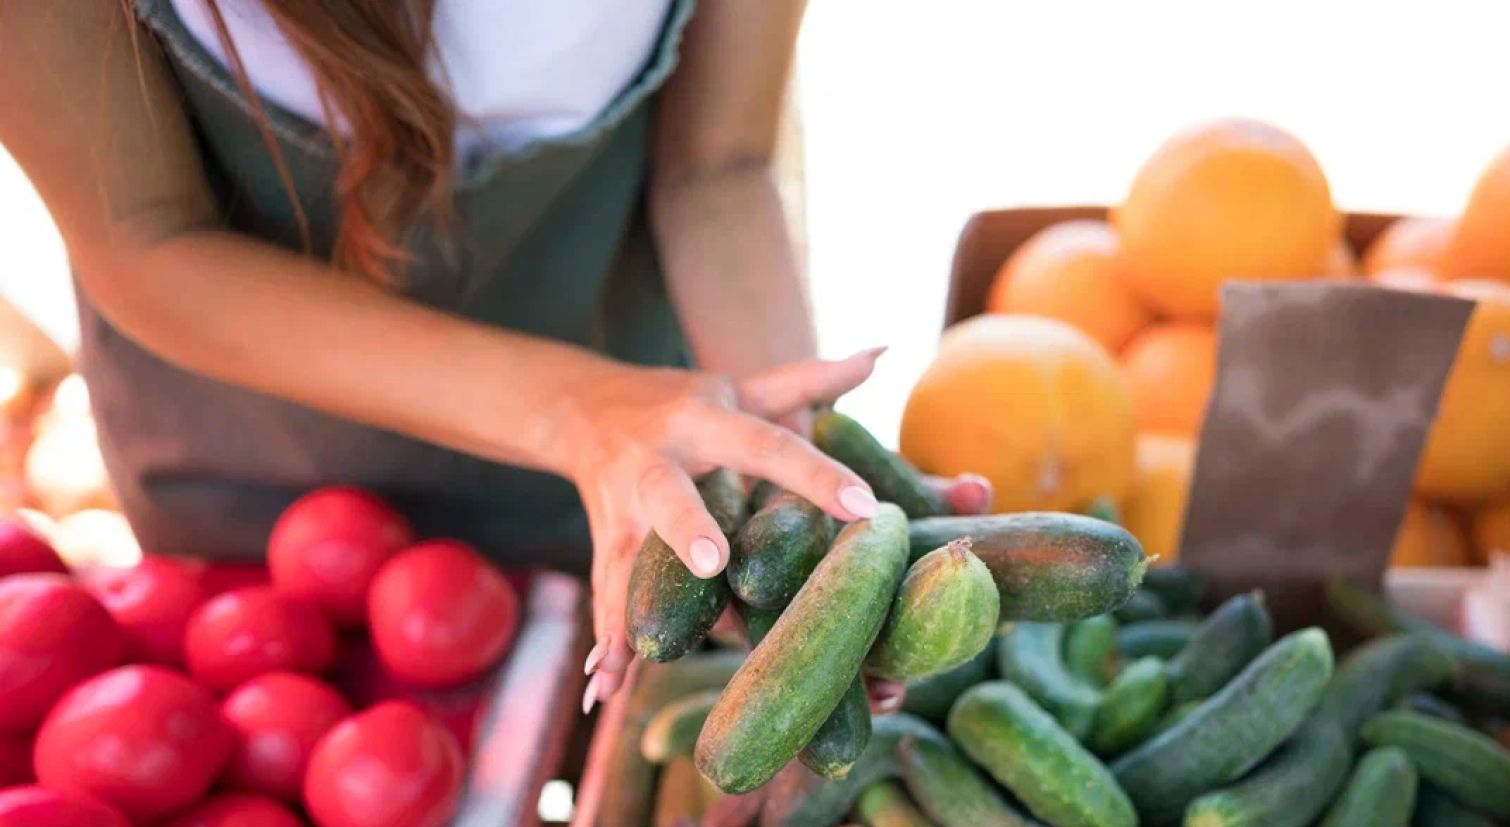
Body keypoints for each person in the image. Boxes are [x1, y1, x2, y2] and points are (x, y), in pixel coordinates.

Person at [0, 0, 988, 708]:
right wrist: (575, 410)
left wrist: (783, 465)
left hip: (631, 424)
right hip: (267, 473)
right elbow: (143, 241)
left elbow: (717, 168)